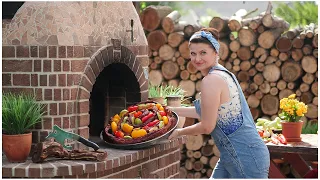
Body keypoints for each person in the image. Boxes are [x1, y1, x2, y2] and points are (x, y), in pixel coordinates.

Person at [167, 28, 270, 178]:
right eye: (193, 53)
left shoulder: (211, 80)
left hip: (245, 156)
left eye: (203, 53)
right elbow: (206, 111)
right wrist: (170, 110)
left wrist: (178, 132)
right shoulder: (222, 73)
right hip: (236, 154)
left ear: (216, 52)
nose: (197, 59)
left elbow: (207, 126)